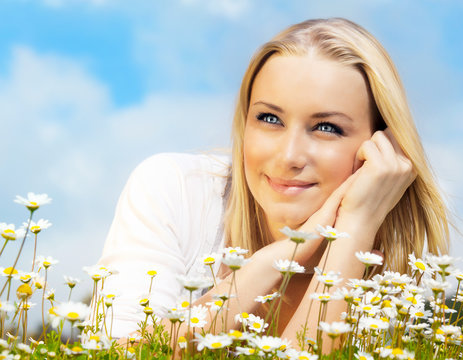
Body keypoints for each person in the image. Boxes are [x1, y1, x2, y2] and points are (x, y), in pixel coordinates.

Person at [97, 17, 449, 346]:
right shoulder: (176, 191)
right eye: (269, 118)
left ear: (381, 146)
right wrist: (274, 262)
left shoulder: (397, 275)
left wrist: (354, 229)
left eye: (326, 128)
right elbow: (124, 351)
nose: (288, 156)